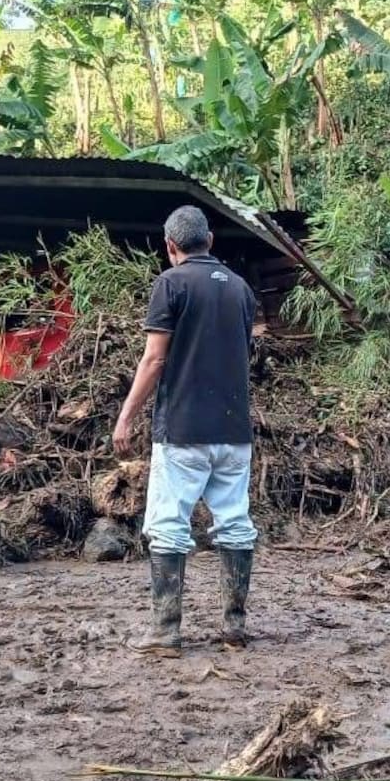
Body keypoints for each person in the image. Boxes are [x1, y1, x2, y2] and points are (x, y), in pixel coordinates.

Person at [112, 205, 259, 657]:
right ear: (210, 241)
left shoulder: (170, 283)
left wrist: (126, 416)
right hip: (234, 429)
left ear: (171, 246)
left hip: (183, 427)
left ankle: (166, 631)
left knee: (168, 525)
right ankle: (234, 625)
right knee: (234, 522)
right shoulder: (240, 288)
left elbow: (155, 358)